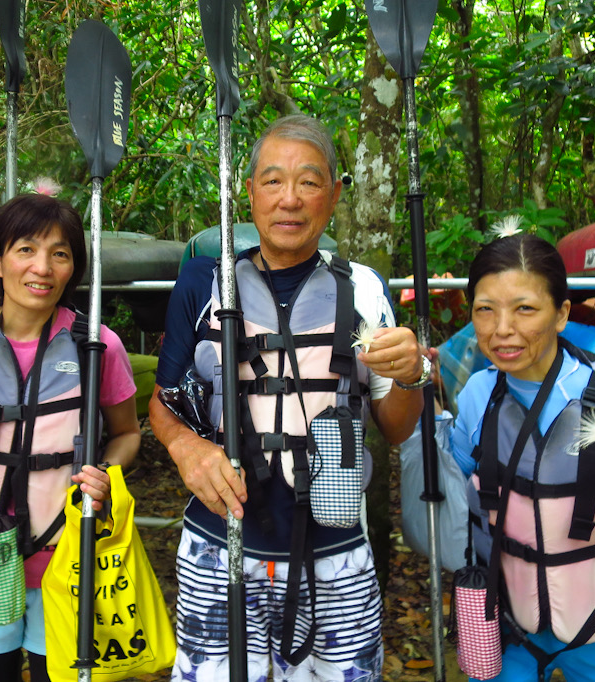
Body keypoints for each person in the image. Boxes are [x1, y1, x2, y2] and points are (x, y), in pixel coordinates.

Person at [148, 114, 429, 680]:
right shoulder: (204, 283)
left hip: (337, 551)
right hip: (220, 545)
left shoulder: (364, 289)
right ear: (248, 192)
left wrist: (410, 375)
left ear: (335, 194)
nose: (290, 199)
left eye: (310, 181)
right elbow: (164, 403)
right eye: (273, 181)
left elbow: (397, 427)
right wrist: (186, 449)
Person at [0, 188, 141, 681]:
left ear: (73, 268)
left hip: (69, 562)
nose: (42, 268)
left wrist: (105, 473)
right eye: (26, 250)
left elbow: (126, 434)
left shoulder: (98, 345)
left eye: (60, 254)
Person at [451, 234, 595, 682]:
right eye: (485, 309)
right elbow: (461, 506)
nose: (502, 328)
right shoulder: (479, 396)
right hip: (511, 633)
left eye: (525, 308)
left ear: (561, 314)